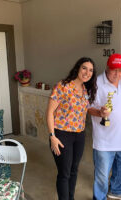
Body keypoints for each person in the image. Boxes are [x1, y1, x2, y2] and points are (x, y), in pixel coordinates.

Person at [46, 57, 97, 200]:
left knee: (74, 170)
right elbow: (50, 112)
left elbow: (86, 110)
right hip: (62, 135)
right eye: (84, 68)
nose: (87, 72)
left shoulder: (85, 89)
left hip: (79, 135)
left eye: (91, 70)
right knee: (65, 172)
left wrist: (100, 112)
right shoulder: (63, 86)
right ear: (77, 68)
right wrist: (52, 136)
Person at [88, 54, 121, 200]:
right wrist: (100, 112)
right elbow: (87, 107)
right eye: (114, 70)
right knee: (102, 174)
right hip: (104, 140)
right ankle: (99, 197)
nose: (117, 74)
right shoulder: (96, 82)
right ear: (107, 68)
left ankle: (117, 191)